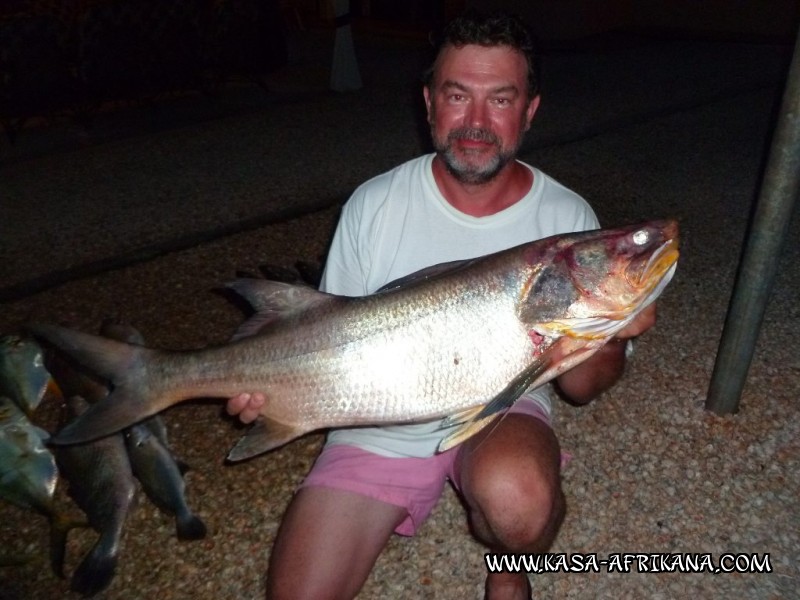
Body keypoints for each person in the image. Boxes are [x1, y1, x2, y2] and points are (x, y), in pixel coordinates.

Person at [228, 11, 656, 600]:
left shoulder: (568, 220)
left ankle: (510, 568)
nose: (476, 122)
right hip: (373, 425)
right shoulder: (373, 205)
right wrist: (272, 390)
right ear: (429, 102)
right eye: (458, 95)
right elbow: (323, 335)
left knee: (520, 505)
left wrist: (611, 335)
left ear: (529, 111)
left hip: (501, 409)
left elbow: (579, 389)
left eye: (500, 100)